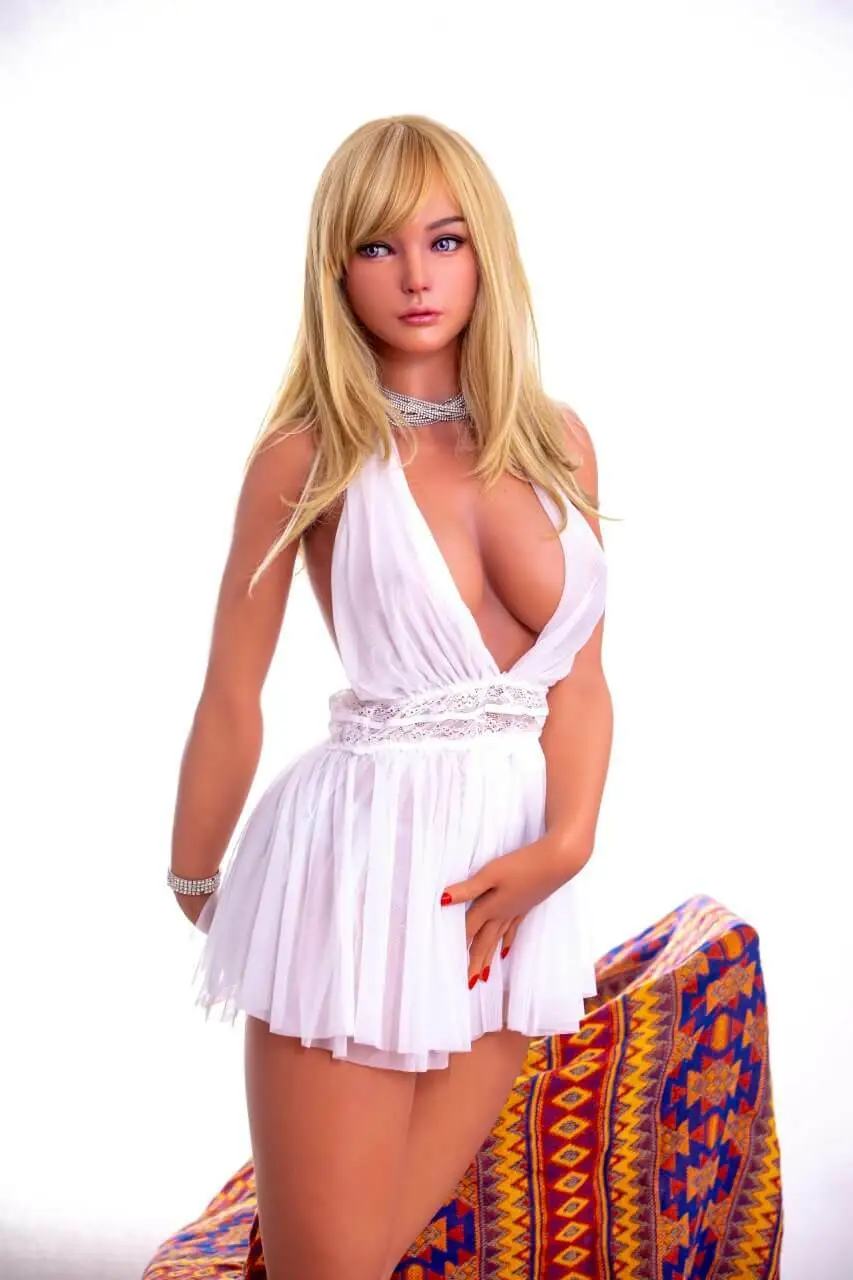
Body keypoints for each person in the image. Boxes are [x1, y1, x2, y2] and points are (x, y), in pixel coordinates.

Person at [168, 113, 614, 1280]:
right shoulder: (308, 454)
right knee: (331, 1265)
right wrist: (198, 876)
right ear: (336, 269)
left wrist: (566, 842)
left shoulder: (558, 442)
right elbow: (231, 687)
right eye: (377, 246)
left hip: (511, 887)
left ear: (485, 251)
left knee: (372, 1247)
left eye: (444, 240)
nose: (416, 276)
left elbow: (579, 680)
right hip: (358, 868)